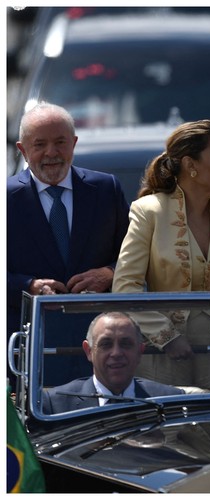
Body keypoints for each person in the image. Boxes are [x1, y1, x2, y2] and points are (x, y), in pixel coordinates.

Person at [112, 119, 210, 390]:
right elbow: (125, 287)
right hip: (165, 353)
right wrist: (167, 337)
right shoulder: (148, 211)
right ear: (191, 165)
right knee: (171, 428)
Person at [8, 102, 129, 385]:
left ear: (73, 143)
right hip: (30, 350)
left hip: (99, 350)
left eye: (60, 142)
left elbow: (133, 255)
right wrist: (28, 286)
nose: (51, 153)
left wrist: (109, 273)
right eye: (40, 144)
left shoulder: (105, 189)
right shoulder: (6, 200)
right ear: (23, 150)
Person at [42, 312, 184, 414]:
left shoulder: (169, 400)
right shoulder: (56, 404)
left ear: (140, 351)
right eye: (106, 344)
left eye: (126, 344)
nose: (116, 353)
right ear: (89, 351)